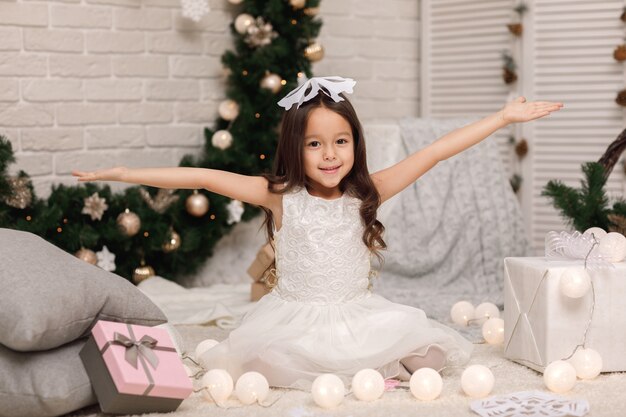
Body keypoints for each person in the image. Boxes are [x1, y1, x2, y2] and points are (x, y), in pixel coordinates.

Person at [73, 76, 563, 390]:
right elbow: (204, 178)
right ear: (296, 148)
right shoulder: (280, 195)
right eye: (315, 144)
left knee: (432, 354)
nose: (330, 155)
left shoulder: (366, 191)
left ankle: (377, 366)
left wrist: (502, 118)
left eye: (341, 141)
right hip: (296, 318)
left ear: (355, 143)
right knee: (262, 365)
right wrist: (124, 171)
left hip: (357, 312)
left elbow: (433, 152)